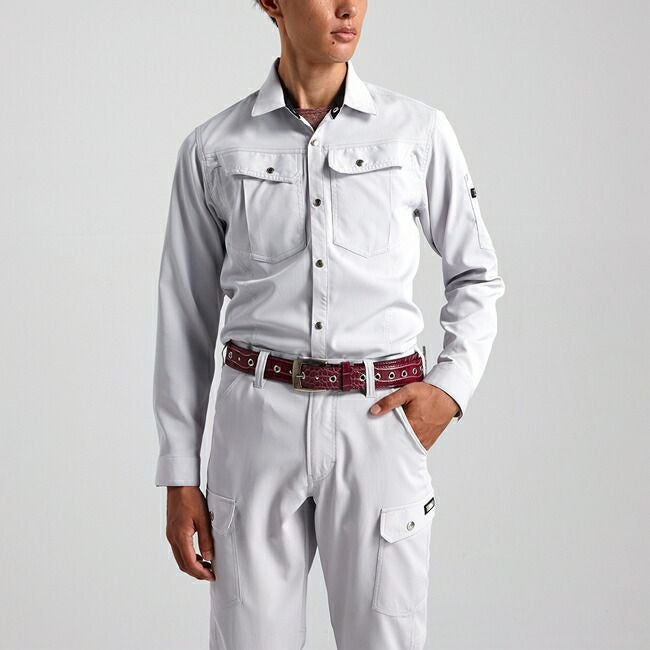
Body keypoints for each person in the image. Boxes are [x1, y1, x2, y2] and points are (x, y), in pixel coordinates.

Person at [152, 1, 505, 648]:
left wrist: (449, 389)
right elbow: (186, 315)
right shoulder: (214, 148)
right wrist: (179, 473)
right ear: (273, 3)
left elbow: (476, 275)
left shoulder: (417, 133)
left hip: (379, 423)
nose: (348, 8)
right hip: (255, 426)